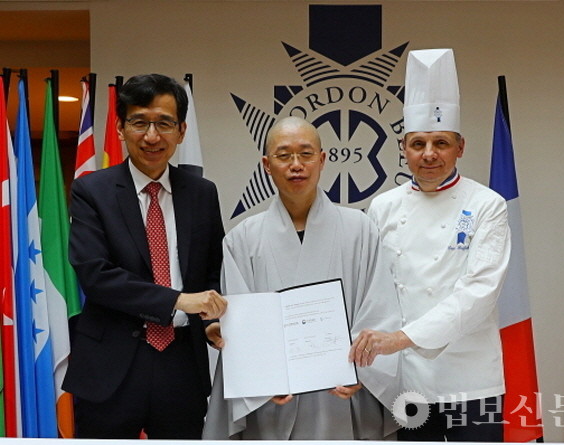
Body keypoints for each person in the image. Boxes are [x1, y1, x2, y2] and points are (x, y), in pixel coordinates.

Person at [203, 116, 402, 440]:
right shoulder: (242, 240)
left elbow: (378, 309)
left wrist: (361, 370)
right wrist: (262, 381)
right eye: (284, 155)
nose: (296, 165)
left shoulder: (360, 230)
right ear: (267, 165)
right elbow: (244, 327)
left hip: (344, 392)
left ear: (322, 160)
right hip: (272, 400)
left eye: (306, 154)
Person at [350, 49, 511, 441]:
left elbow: (478, 293)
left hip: (471, 378)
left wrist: (401, 339)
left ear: (460, 147)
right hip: (406, 378)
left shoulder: (487, 204)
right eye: (418, 143)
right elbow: (371, 292)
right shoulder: (383, 207)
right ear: (403, 147)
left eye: (441, 142)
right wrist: (358, 363)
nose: (429, 154)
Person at [63, 73, 227, 439]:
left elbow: (213, 272)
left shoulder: (202, 193)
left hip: (182, 366)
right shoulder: (93, 190)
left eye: (164, 124)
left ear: (181, 131)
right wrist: (178, 300)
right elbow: (96, 275)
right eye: (140, 123)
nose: (152, 136)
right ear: (121, 128)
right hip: (110, 368)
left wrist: (211, 322)